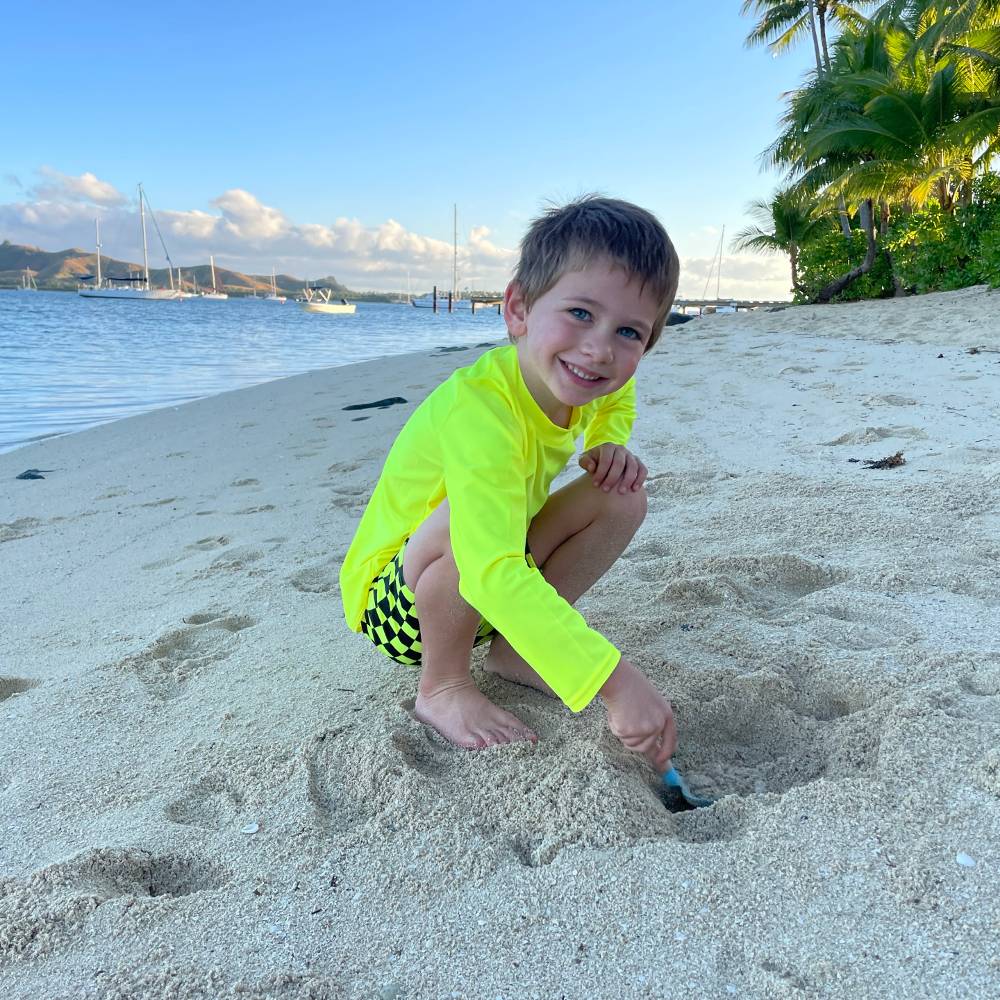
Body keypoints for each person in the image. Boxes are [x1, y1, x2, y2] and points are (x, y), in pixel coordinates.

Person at [339, 195, 681, 773]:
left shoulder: (587, 376)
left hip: (491, 578)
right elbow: (489, 568)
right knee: (462, 520)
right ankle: (442, 687)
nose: (599, 348)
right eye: (579, 314)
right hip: (400, 606)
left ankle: (516, 651)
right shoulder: (483, 412)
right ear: (518, 309)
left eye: (629, 332)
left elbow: (617, 396)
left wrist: (606, 442)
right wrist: (614, 681)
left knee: (620, 493)